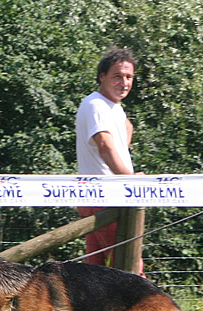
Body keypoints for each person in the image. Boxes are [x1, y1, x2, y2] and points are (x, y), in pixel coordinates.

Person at [76, 47, 144, 270]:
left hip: (98, 196)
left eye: (128, 77)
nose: (124, 83)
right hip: (105, 197)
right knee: (129, 265)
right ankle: (143, 305)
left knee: (95, 268)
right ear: (101, 77)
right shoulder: (96, 105)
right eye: (117, 76)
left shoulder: (112, 107)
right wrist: (131, 181)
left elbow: (123, 133)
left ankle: (86, 306)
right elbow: (105, 146)